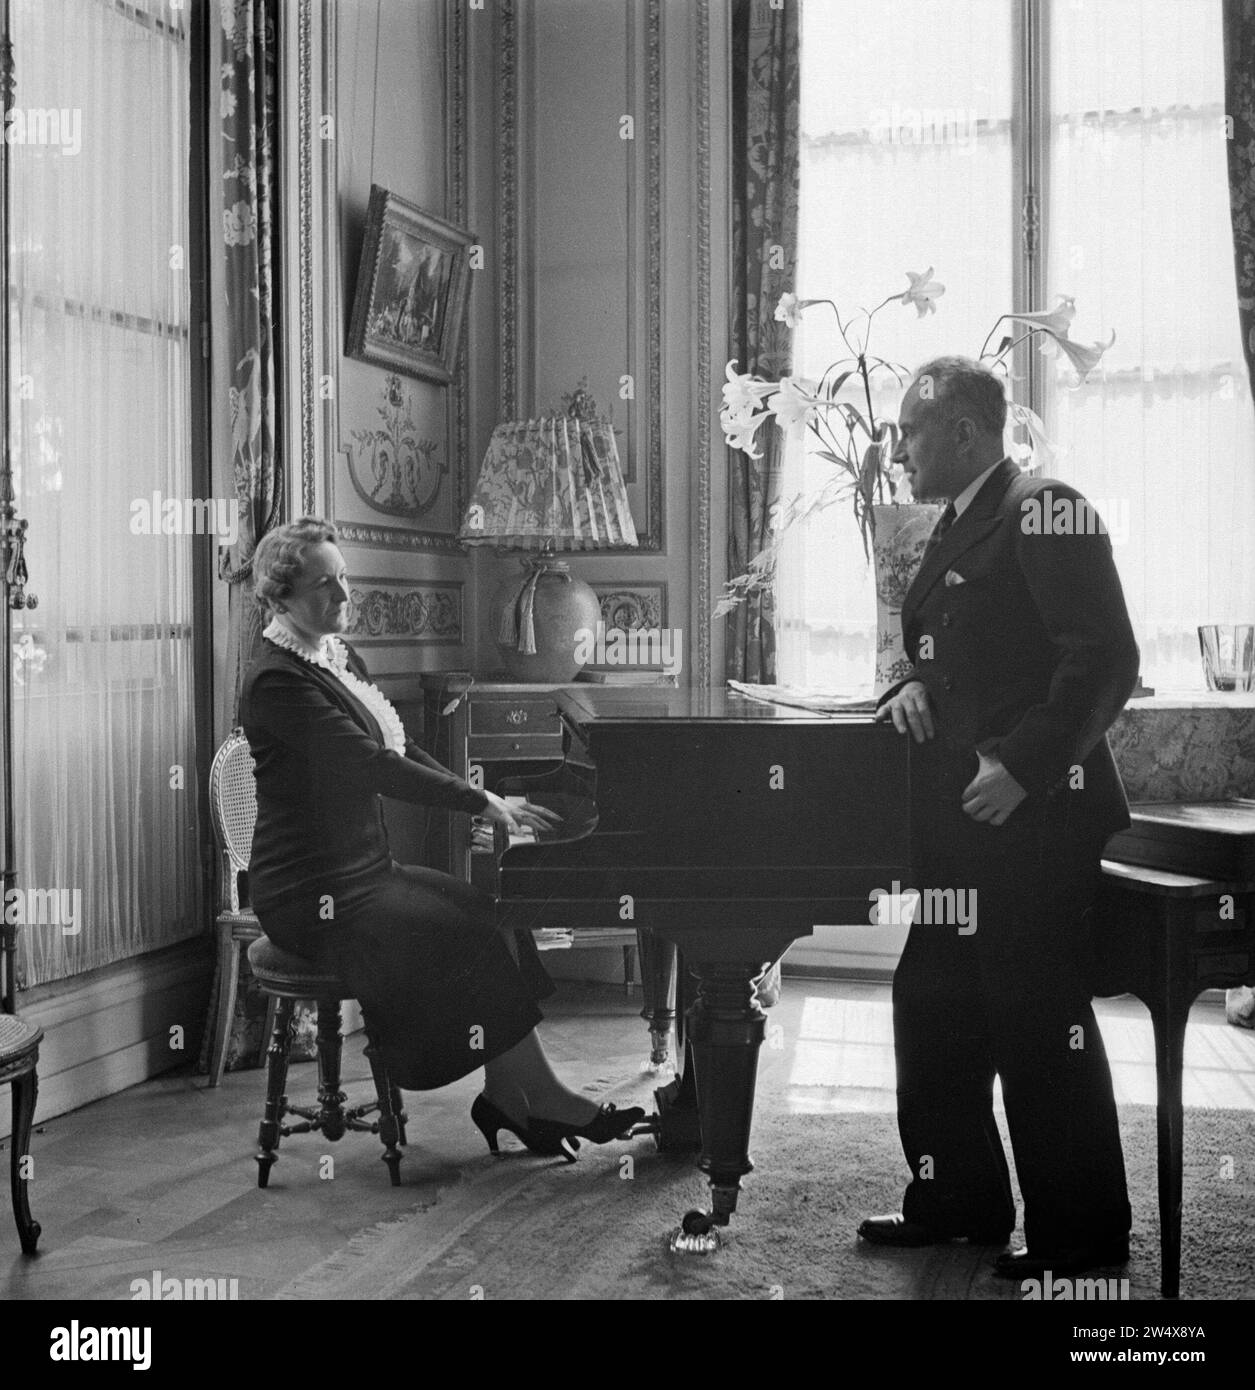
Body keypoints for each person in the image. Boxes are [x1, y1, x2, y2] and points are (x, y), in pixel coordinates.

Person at [239, 517, 643, 1159]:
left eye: (344, 578)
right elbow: (371, 765)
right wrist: (479, 802)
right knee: (462, 933)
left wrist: (484, 798)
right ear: (280, 597)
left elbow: (402, 745)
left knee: (491, 915)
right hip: (311, 893)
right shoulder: (276, 682)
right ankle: (540, 1102)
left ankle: (518, 1097)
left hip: (367, 872)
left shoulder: (335, 658)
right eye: (324, 586)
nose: (345, 597)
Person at [858, 357, 1139, 1279]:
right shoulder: (960, 522)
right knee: (929, 1003)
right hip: (959, 825)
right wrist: (907, 681)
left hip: (1034, 818)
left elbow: (1102, 660)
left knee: (1036, 1022)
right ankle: (959, 1203)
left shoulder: (1045, 506)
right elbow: (961, 649)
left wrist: (1022, 767)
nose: (895, 449)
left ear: (966, 432)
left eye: (909, 430)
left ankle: (1081, 1238)